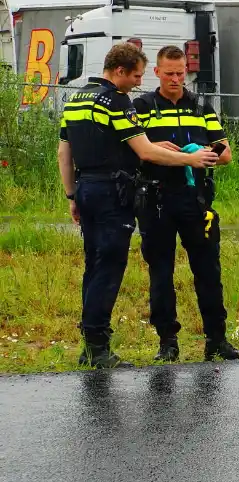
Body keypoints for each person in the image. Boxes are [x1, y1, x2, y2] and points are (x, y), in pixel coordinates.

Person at [57, 43, 220, 368]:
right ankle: (99, 349)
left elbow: (65, 153)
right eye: (135, 75)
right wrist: (188, 158)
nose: (137, 82)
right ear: (119, 71)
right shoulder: (116, 101)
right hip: (113, 193)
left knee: (93, 265)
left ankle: (89, 346)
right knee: (109, 267)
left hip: (86, 188)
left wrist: (72, 195)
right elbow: (144, 152)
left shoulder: (75, 100)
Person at [132, 45, 239, 362]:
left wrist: (204, 154)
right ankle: (167, 342)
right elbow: (132, 151)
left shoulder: (200, 107)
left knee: (208, 270)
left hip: (195, 200)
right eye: (169, 73)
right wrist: (163, 151)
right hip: (156, 200)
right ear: (157, 73)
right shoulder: (141, 106)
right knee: (161, 272)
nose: (175, 79)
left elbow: (225, 154)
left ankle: (216, 339)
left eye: (180, 73)